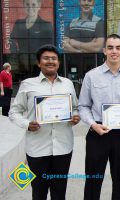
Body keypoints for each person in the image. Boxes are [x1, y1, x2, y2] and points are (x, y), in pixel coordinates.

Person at [9, 44, 80, 199]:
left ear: (58, 62)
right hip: (37, 148)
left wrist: (75, 116)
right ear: (39, 62)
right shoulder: (28, 84)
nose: (50, 61)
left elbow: (75, 107)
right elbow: (14, 112)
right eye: (46, 58)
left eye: (54, 58)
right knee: (39, 192)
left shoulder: (68, 84)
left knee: (59, 191)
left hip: (63, 147)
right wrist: (27, 124)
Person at [78, 34, 120, 200]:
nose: (114, 51)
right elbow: (83, 106)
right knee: (93, 179)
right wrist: (93, 124)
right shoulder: (91, 76)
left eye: (118, 48)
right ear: (104, 50)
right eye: (110, 47)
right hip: (98, 132)